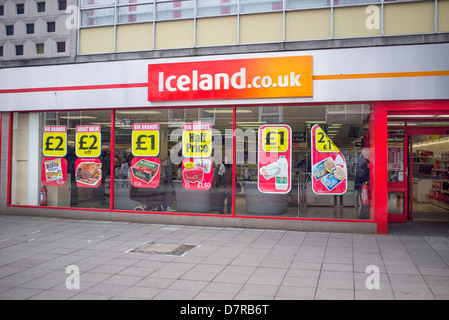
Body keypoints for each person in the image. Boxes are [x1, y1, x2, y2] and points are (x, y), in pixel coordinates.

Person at [356, 148, 370, 219]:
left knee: (365, 201)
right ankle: (364, 216)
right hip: (364, 184)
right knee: (365, 201)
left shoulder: (366, 161)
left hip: (364, 183)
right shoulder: (364, 162)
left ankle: (364, 216)